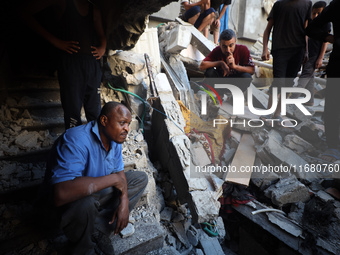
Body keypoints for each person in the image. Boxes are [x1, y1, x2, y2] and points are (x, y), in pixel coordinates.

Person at [42, 102, 148, 254]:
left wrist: (124, 200)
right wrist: (113, 180)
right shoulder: (76, 140)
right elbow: (61, 194)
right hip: (66, 205)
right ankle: (83, 248)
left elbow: (119, 173)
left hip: (94, 193)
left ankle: (97, 230)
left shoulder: (115, 139)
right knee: (86, 203)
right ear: (104, 121)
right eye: (122, 123)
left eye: (128, 124)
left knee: (140, 179)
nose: (127, 129)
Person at [21, 0, 107, 129]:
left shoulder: (94, 9)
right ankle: (74, 147)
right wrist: (56, 42)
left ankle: (94, 146)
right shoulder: (62, 3)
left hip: (92, 63)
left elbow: (102, 36)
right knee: (72, 112)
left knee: (95, 111)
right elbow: (24, 12)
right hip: (71, 64)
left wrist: (103, 47)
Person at [261, 0, 312, 125]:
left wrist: (306, 51)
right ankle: (269, 111)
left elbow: (306, 30)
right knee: (278, 81)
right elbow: (268, 29)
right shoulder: (279, 5)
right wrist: (265, 49)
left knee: (288, 83)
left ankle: (277, 114)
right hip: (280, 50)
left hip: (297, 51)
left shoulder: (307, 4)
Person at [306, 0, 340, 162]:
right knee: (333, 106)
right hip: (338, 64)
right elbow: (311, 28)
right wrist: (329, 38)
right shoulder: (336, 5)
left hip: (337, 64)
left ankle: (333, 146)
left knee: (333, 106)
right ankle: (333, 146)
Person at [290, 1, 331, 106]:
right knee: (310, 76)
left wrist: (320, 58)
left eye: (319, 13)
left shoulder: (326, 23)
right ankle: (310, 100)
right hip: (307, 53)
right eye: (314, 13)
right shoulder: (311, 23)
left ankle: (291, 100)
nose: (316, 16)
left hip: (315, 55)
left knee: (304, 77)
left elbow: (325, 42)